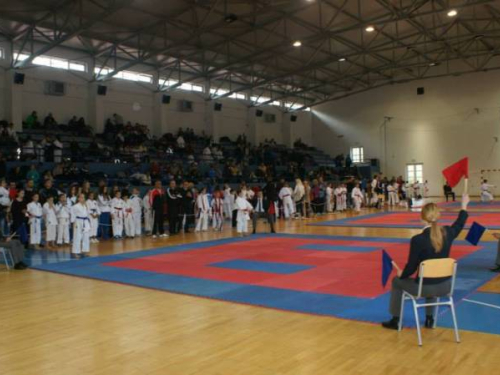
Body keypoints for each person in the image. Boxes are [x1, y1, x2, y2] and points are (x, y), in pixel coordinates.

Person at [381, 195, 470, 330]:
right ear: (438, 216)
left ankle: (396, 320)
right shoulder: (448, 233)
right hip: (445, 286)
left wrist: (401, 274)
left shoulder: (418, 239)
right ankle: (429, 319)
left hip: (424, 288)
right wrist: (464, 205)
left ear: (422, 218)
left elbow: (411, 268)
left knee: (397, 281)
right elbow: (460, 223)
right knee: (431, 276)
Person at [71, 193, 91, 258]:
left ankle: (85, 251)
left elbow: (88, 214)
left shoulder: (85, 206)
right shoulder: (75, 206)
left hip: (85, 221)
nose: (83, 199)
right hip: (78, 222)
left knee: (86, 237)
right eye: (81, 197)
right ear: (78, 198)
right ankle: (75, 252)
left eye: (84, 197)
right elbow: (72, 215)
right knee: (77, 237)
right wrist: (73, 223)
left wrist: (89, 222)